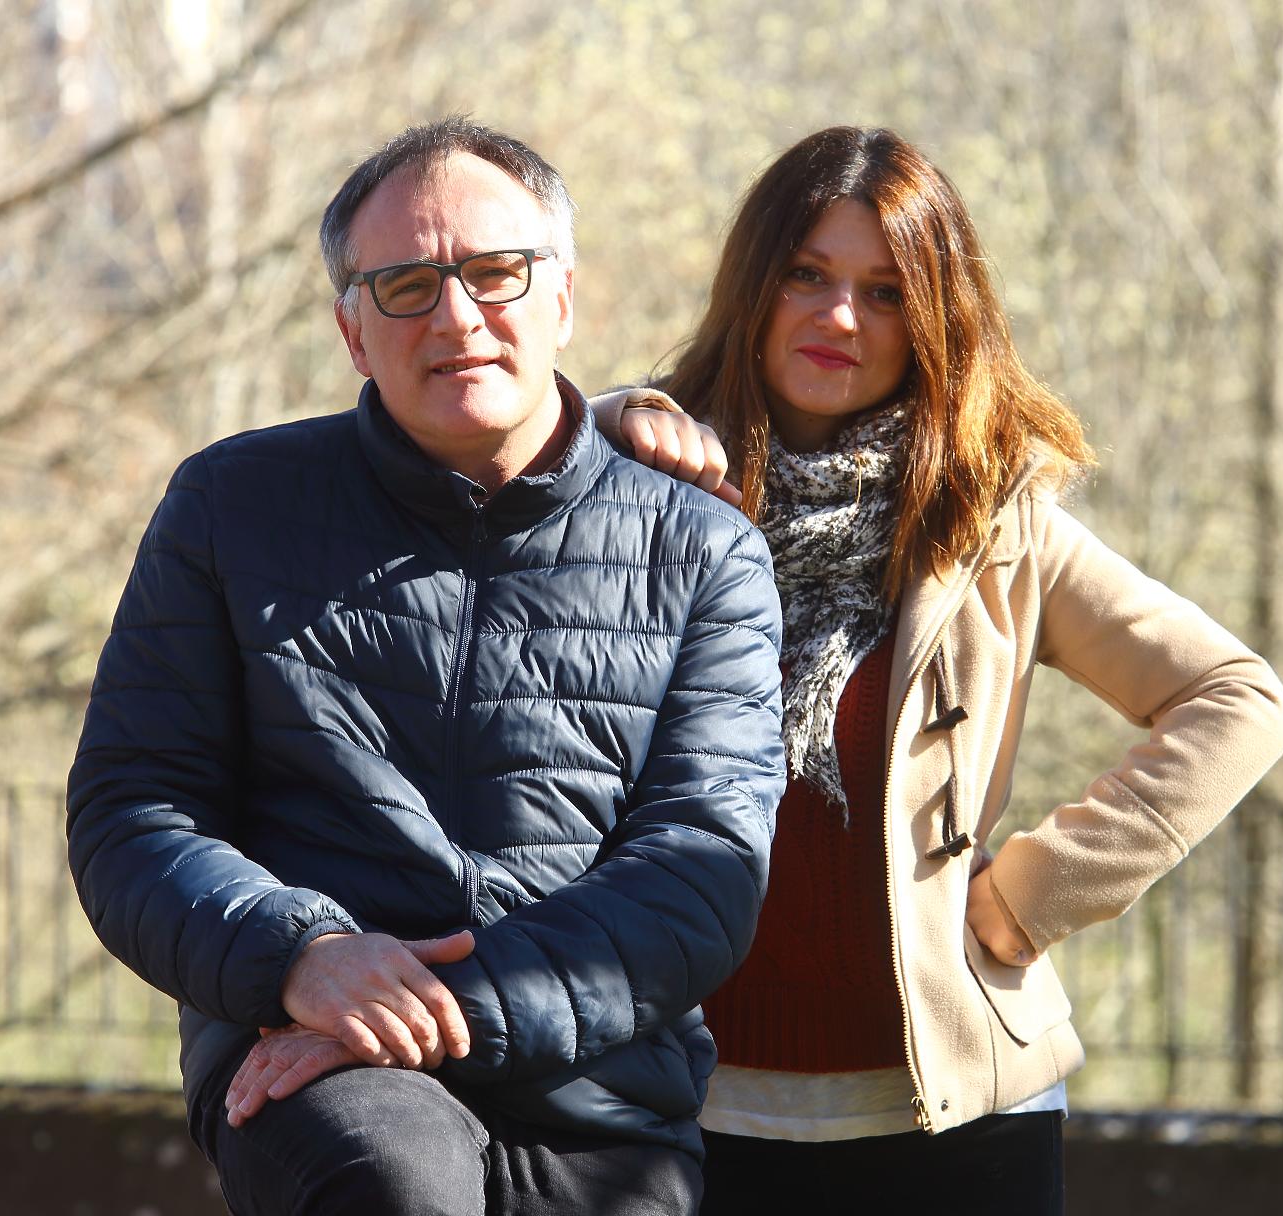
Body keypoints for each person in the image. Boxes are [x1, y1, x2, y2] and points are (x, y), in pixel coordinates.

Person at [64, 117, 787, 1216]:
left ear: (564, 296)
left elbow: (703, 869)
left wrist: (434, 1003)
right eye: (405, 285)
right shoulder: (229, 509)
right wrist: (302, 957)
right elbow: (134, 810)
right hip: (316, 1057)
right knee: (393, 1187)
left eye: (495, 273)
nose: (457, 316)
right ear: (353, 330)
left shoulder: (703, 550)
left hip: (602, 1093)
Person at [601, 126, 1283, 1212]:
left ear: (932, 318)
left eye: (887, 292)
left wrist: (1038, 892)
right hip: (681, 1107)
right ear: (754, 283)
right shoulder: (637, 481)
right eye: (808, 275)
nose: (842, 317)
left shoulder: (991, 520)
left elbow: (1239, 700)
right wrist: (593, 429)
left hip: (957, 1114)